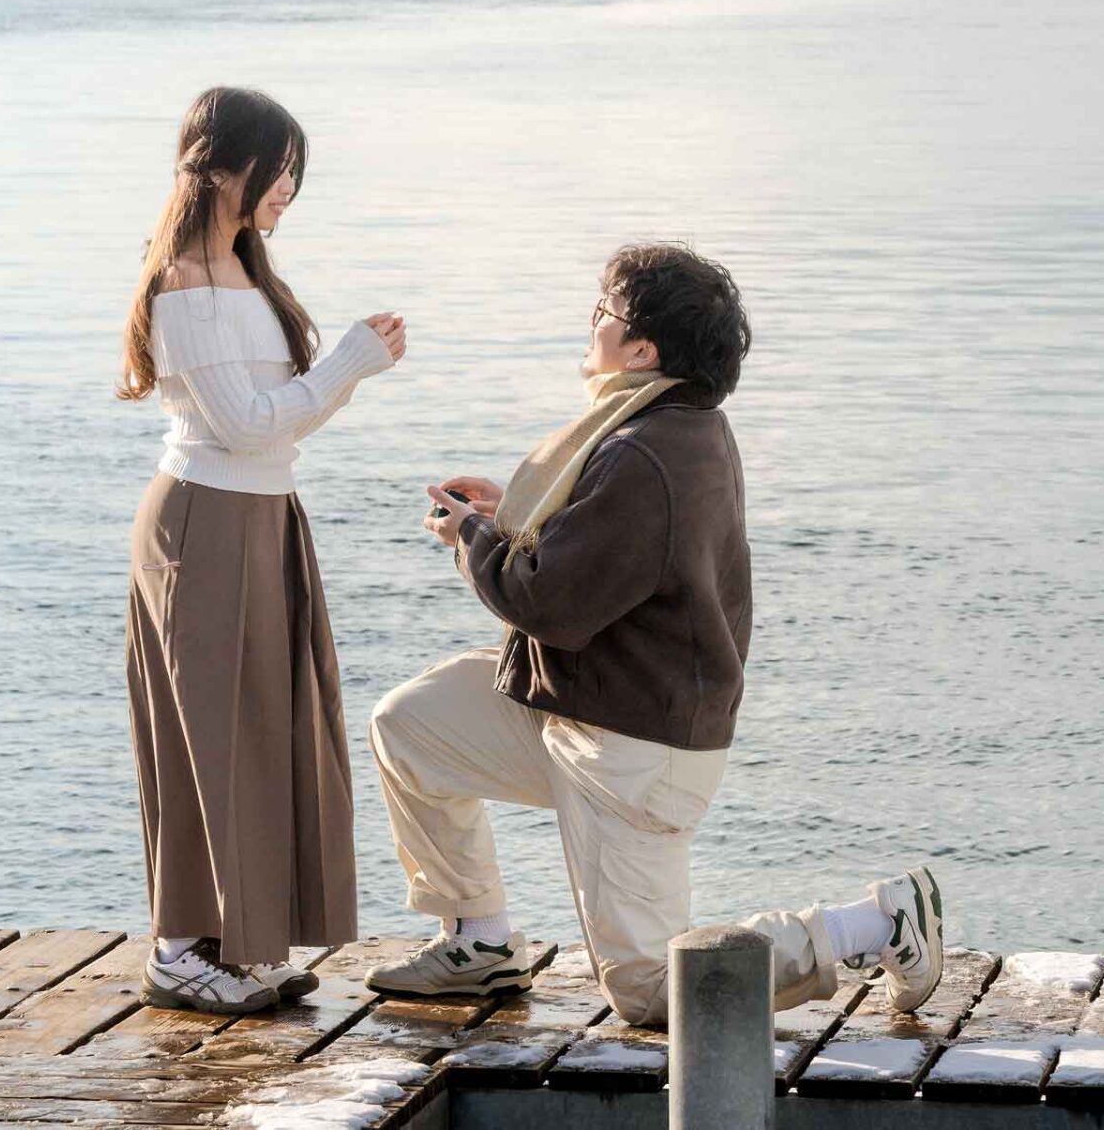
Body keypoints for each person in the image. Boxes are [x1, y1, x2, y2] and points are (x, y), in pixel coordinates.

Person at [364, 242, 942, 1027]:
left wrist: (473, 538)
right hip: (580, 709)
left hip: (632, 754)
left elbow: (550, 603)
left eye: (603, 313)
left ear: (643, 348)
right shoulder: (670, 426)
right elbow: (605, 553)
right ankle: (480, 941)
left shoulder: (646, 454)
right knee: (411, 724)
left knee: (648, 992)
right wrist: (506, 518)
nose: (590, 323)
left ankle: (870, 925)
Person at [118, 87, 407, 1014]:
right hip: (204, 521)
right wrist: (351, 361)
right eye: (280, 167)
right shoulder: (185, 286)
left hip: (264, 515)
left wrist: (346, 370)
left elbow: (277, 431)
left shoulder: (245, 273)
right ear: (226, 167)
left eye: (297, 172)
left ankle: (237, 944)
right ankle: (176, 951)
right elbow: (244, 426)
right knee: (205, 737)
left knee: (267, 729)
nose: (289, 187)